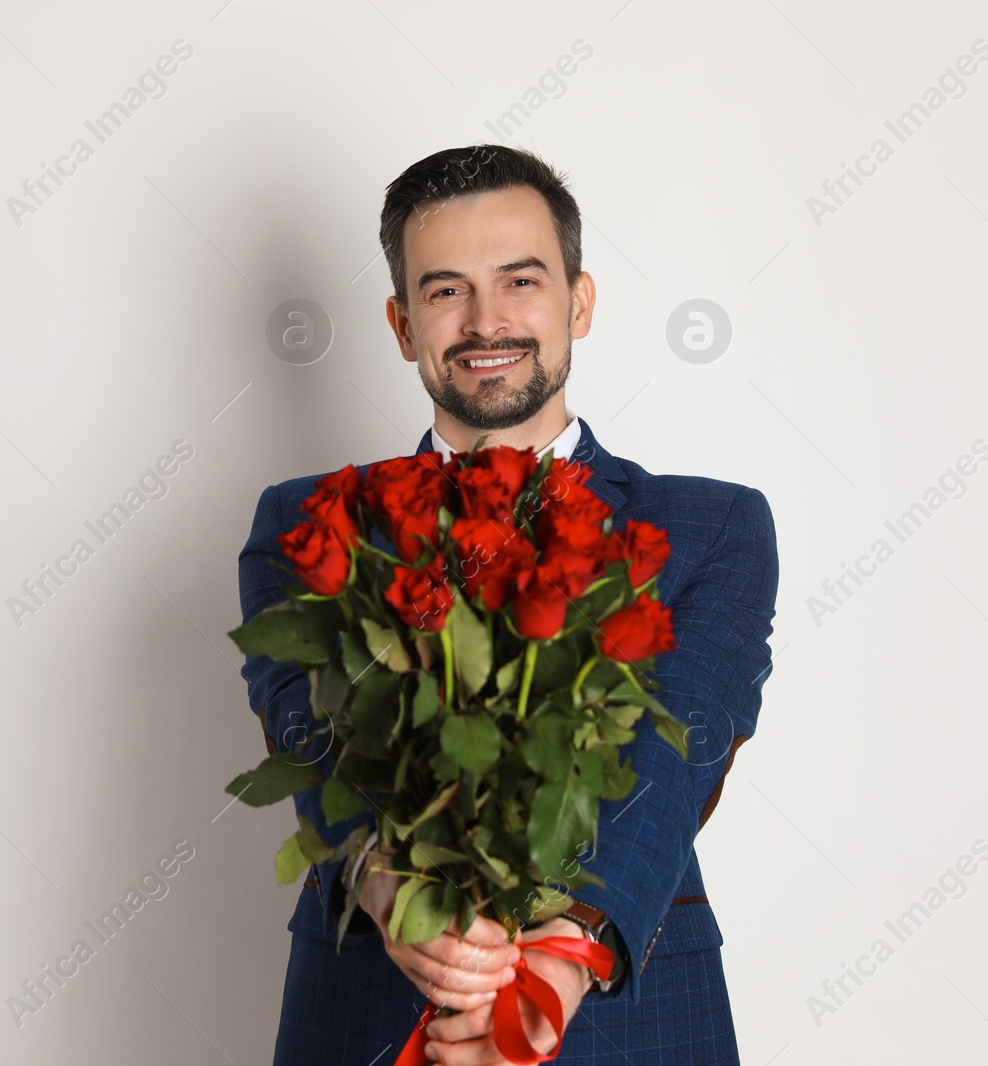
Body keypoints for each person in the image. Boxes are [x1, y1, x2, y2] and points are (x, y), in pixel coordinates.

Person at [239, 144, 779, 1064]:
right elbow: (308, 734)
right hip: (375, 997)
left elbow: (677, 749)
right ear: (403, 324)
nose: (486, 320)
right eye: (445, 290)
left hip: (628, 1015)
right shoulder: (310, 520)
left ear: (580, 301)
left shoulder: (711, 526)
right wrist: (394, 895)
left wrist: (551, 973)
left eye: (520, 280)